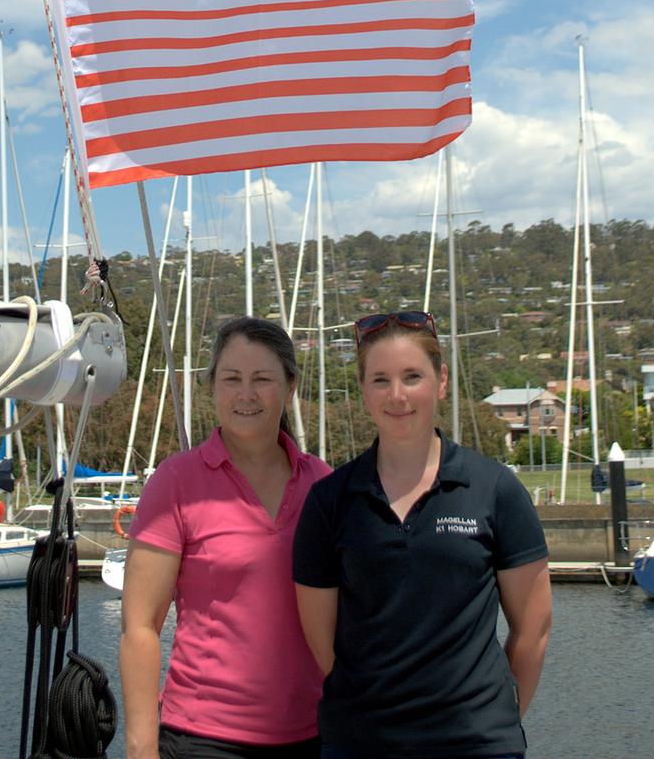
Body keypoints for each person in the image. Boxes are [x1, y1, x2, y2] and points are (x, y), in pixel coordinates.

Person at [293, 310, 552, 759]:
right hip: (361, 744)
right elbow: (323, 642)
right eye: (380, 380)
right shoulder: (329, 501)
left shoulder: (495, 489)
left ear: (441, 379)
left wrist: (493, 720)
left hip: (477, 744)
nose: (397, 395)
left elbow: (533, 629)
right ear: (362, 389)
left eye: (412, 376)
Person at [120, 315, 331, 759]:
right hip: (204, 738)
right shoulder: (175, 483)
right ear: (213, 385)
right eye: (232, 378)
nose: (246, 394)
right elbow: (140, 627)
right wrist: (141, 747)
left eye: (262, 379)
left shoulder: (324, 485)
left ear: (290, 387)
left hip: (317, 733)